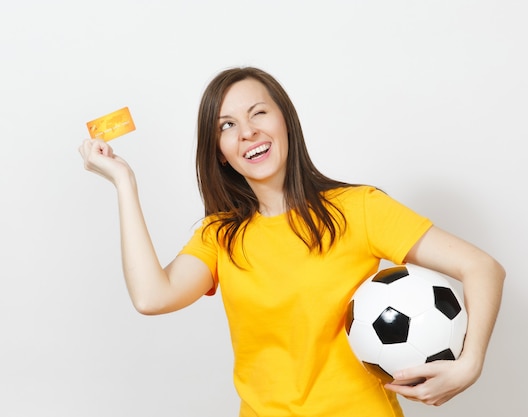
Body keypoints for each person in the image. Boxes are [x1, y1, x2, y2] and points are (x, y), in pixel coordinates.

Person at [78, 66, 505, 416]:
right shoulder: (219, 236)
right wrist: (123, 183)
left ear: (285, 120)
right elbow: (152, 297)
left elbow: (483, 268)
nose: (246, 132)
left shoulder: (358, 208)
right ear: (220, 152)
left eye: (257, 113)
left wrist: (470, 364)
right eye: (227, 125)